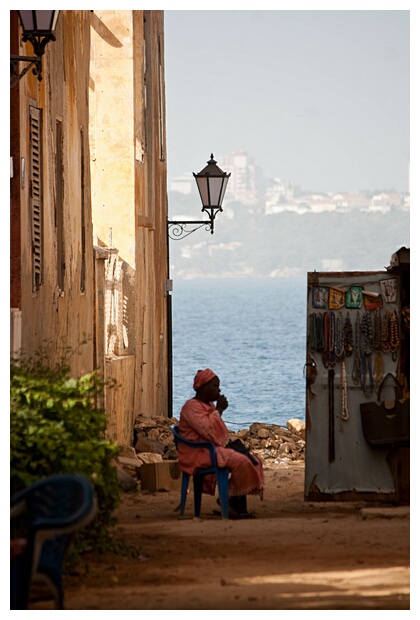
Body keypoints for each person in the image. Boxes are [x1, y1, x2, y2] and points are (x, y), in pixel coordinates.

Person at [177, 368, 264, 518]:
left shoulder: (208, 406)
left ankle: (236, 502)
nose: (219, 390)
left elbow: (216, 431)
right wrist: (220, 410)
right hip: (199, 453)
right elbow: (208, 429)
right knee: (241, 461)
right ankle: (231, 501)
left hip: (210, 448)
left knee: (253, 460)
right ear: (204, 387)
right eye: (215, 386)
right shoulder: (191, 407)